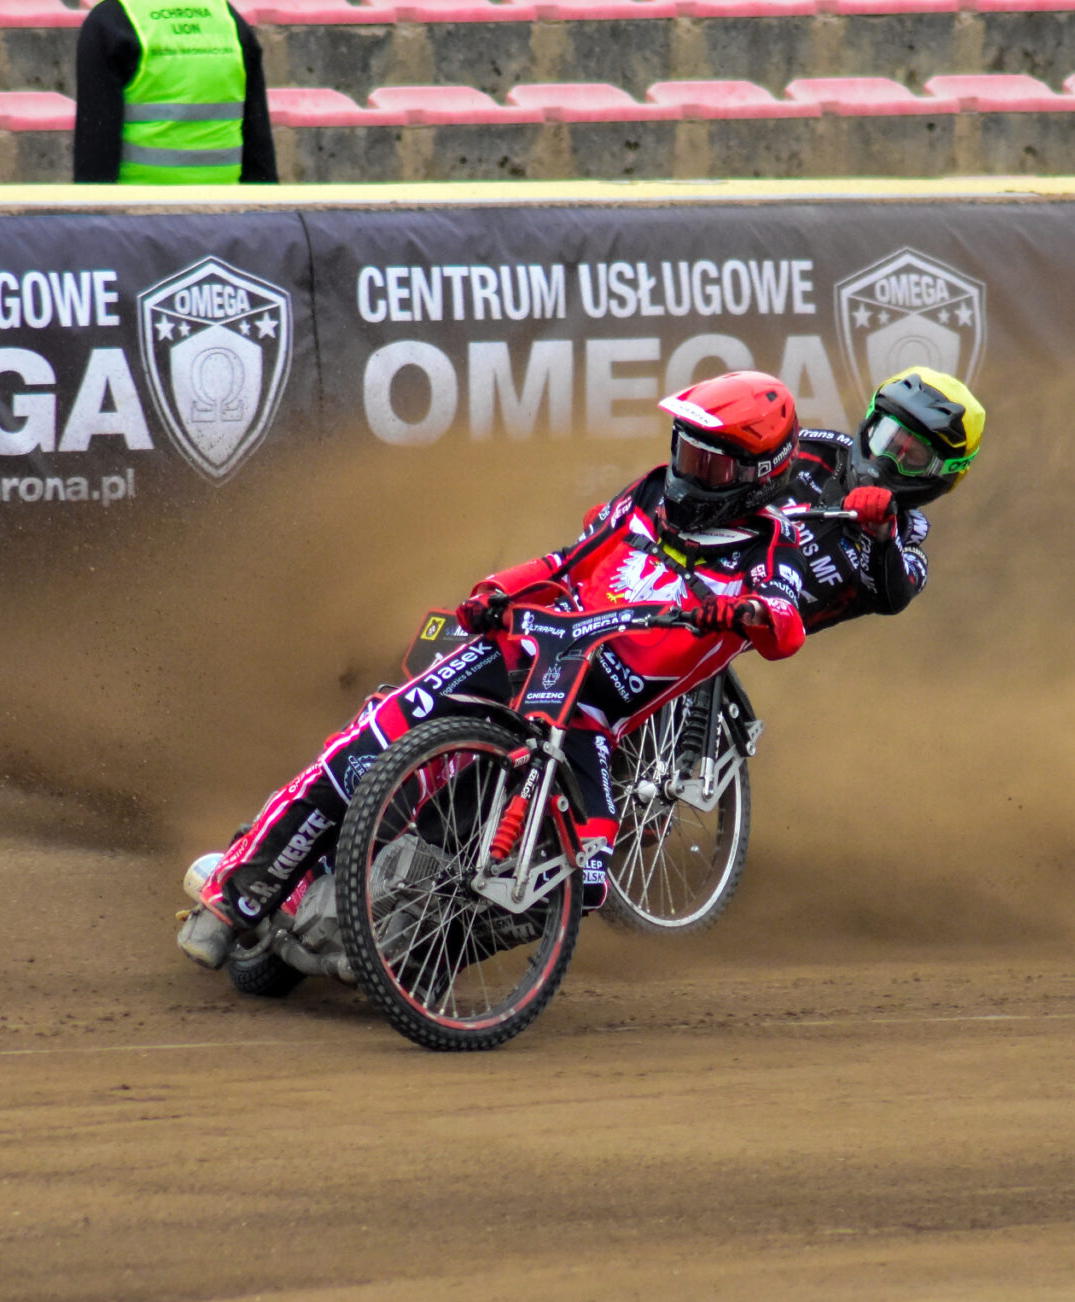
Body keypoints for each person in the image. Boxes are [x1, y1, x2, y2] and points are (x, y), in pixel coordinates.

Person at [177, 368, 813, 971]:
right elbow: (567, 562)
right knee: (366, 746)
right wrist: (500, 588)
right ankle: (237, 897)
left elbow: (786, 622)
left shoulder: (773, 547)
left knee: (584, 879)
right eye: (687, 452)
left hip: (590, 717)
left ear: (757, 477)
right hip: (526, 652)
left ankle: (419, 959)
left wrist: (750, 611)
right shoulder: (649, 492)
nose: (689, 472)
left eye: (710, 464)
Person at [780, 365, 985, 633]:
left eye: (913, 458)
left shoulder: (908, 548)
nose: (888, 460)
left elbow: (890, 598)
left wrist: (880, 534)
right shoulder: (809, 452)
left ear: (942, 474)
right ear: (870, 424)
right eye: (886, 439)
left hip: (747, 630)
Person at [72, 0, 278, 186]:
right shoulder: (227, 17)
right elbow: (259, 152)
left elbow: (96, 151)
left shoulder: (110, 20)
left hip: (138, 208)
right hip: (224, 208)